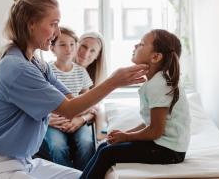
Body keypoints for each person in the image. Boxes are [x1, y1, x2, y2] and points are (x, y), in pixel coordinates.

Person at [0, 0, 148, 179]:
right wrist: (113, 82)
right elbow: (68, 109)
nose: (58, 32)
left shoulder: (38, 64)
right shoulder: (16, 68)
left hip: (24, 162)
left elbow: (72, 101)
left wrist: (89, 112)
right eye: (53, 24)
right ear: (31, 24)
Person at [80, 29, 191, 179]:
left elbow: (155, 131)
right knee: (104, 146)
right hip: (162, 145)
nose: (135, 46)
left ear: (156, 57)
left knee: (107, 153)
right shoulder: (157, 81)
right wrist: (125, 134)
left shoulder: (159, 85)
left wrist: (126, 137)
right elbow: (150, 124)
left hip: (168, 151)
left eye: (141, 44)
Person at [42, 26, 96, 170]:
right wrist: (48, 118)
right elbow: (41, 100)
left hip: (78, 117)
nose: (69, 49)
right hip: (55, 120)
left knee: (87, 143)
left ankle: (83, 175)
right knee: (57, 146)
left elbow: (88, 100)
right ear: (53, 48)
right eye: (63, 44)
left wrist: (80, 118)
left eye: (72, 44)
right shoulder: (46, 70)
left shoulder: (81, 71)